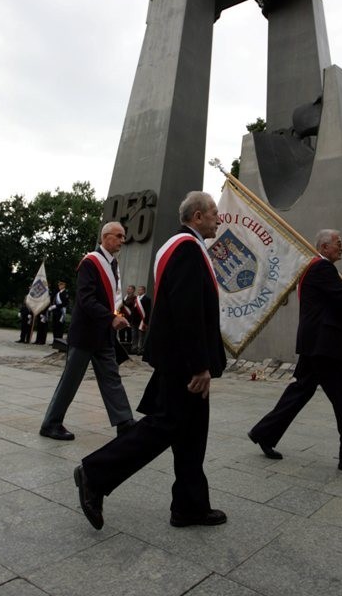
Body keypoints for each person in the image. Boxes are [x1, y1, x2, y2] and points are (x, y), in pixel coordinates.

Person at [73, 191, 227, 531]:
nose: (220, 218)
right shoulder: (187, 249)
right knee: (165, 426)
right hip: (184, 361)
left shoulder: (178, 246)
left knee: (191, 433)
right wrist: (200, 364)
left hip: (177, 355)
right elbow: (187, 309)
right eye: (214, 212)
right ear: (197, 217)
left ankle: (190, 506)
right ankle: (94, 474)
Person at [248, 229, 342, 473]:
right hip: (323, 346)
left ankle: (264, 433)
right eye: (338, 243)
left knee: (300, 391)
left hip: (315, 344)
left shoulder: (319, 269)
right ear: (324, 246)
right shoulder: (321, 268)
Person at [39, 221, 134, 441]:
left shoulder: (113, 265)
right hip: (85, 334)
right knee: (71, 380)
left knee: (112, 378)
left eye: (123, 236)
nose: (122, 240)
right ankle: (50, 424)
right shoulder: (90, 263)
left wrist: (115, 319)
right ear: (106, 237)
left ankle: (124, 422)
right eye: (119, 236)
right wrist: (111, 318)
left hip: (103, 334)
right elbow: (86, 299)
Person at [131, 285, 151, 354]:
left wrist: (146, 322)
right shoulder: (136, 299)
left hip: (142, 320)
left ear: (144, 291)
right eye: (138, 290)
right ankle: (134, 348)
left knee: (141, 335)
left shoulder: (147, 299)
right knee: (134, 335)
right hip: (134, 320)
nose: (139, 291)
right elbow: (133, 310)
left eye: (140, 290)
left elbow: (148, 311)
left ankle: (140, 349)